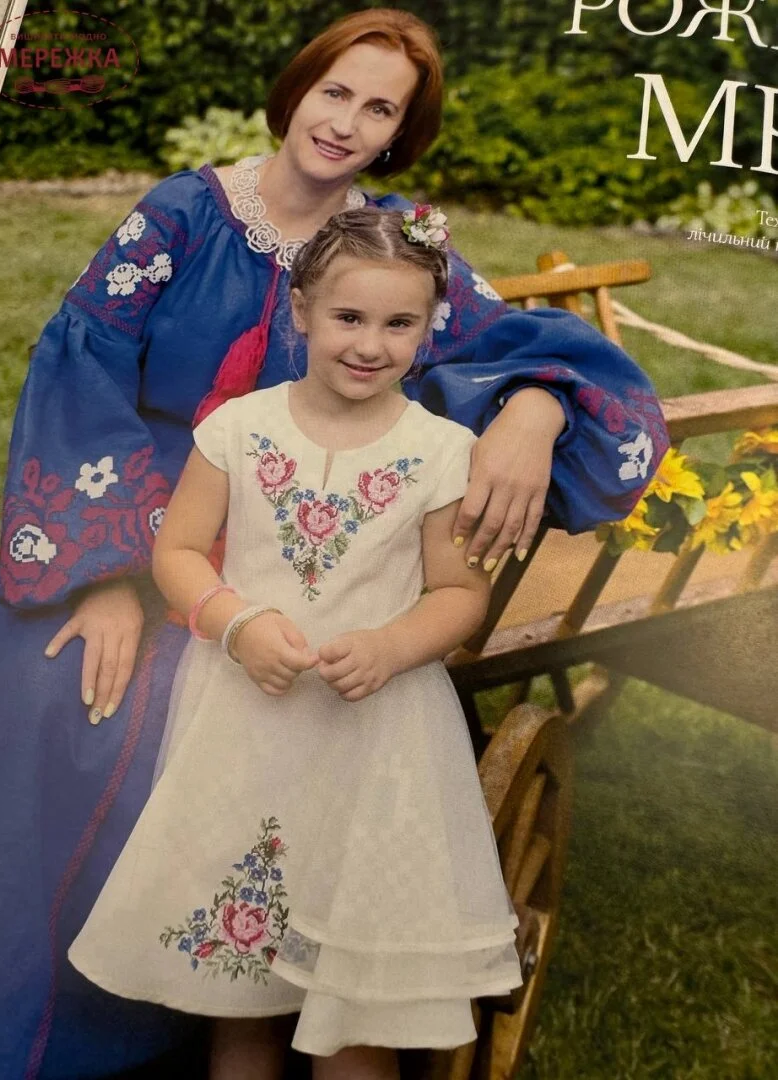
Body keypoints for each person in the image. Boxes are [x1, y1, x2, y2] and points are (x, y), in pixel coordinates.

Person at [0, 9, 668, 1079]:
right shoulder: (181, 216)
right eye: (335, 91)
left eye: (379, 108)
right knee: (48, 690)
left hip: (312, 560)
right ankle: (51, 1012)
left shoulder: (394, 245)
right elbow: (82, 371)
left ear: (400, 134)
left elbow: (532, 349)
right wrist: (102, 580)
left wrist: (534, 408)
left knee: (190, 717)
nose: (346, 122)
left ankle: (240, 981)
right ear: (297, 89)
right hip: (152, 528)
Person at [69, 204, 522, 1080]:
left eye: (400, 325)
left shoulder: (441, 451)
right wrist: (235, 624)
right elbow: (177, 553)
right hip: (245, 726)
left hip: (374, 737)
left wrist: (391, 646)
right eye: (349, 317)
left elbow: (462, 592)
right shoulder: (239, 429)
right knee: (239, 1001)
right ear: (303, 312)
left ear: (428, 330)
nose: (370, 344)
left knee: (353, 1019)